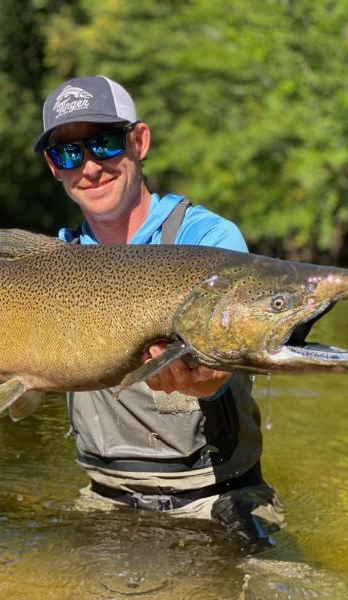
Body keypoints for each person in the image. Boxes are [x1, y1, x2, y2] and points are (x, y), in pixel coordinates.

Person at [34, 75, 284, 547]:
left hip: (216, 497)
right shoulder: (54, 261)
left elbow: (230, 360)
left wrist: (204, 377)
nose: (89, 166)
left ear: (139, 141)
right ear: (54, 167)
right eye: (68, 152)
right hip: (104, 497)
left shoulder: (209, 243)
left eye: (104, 143)